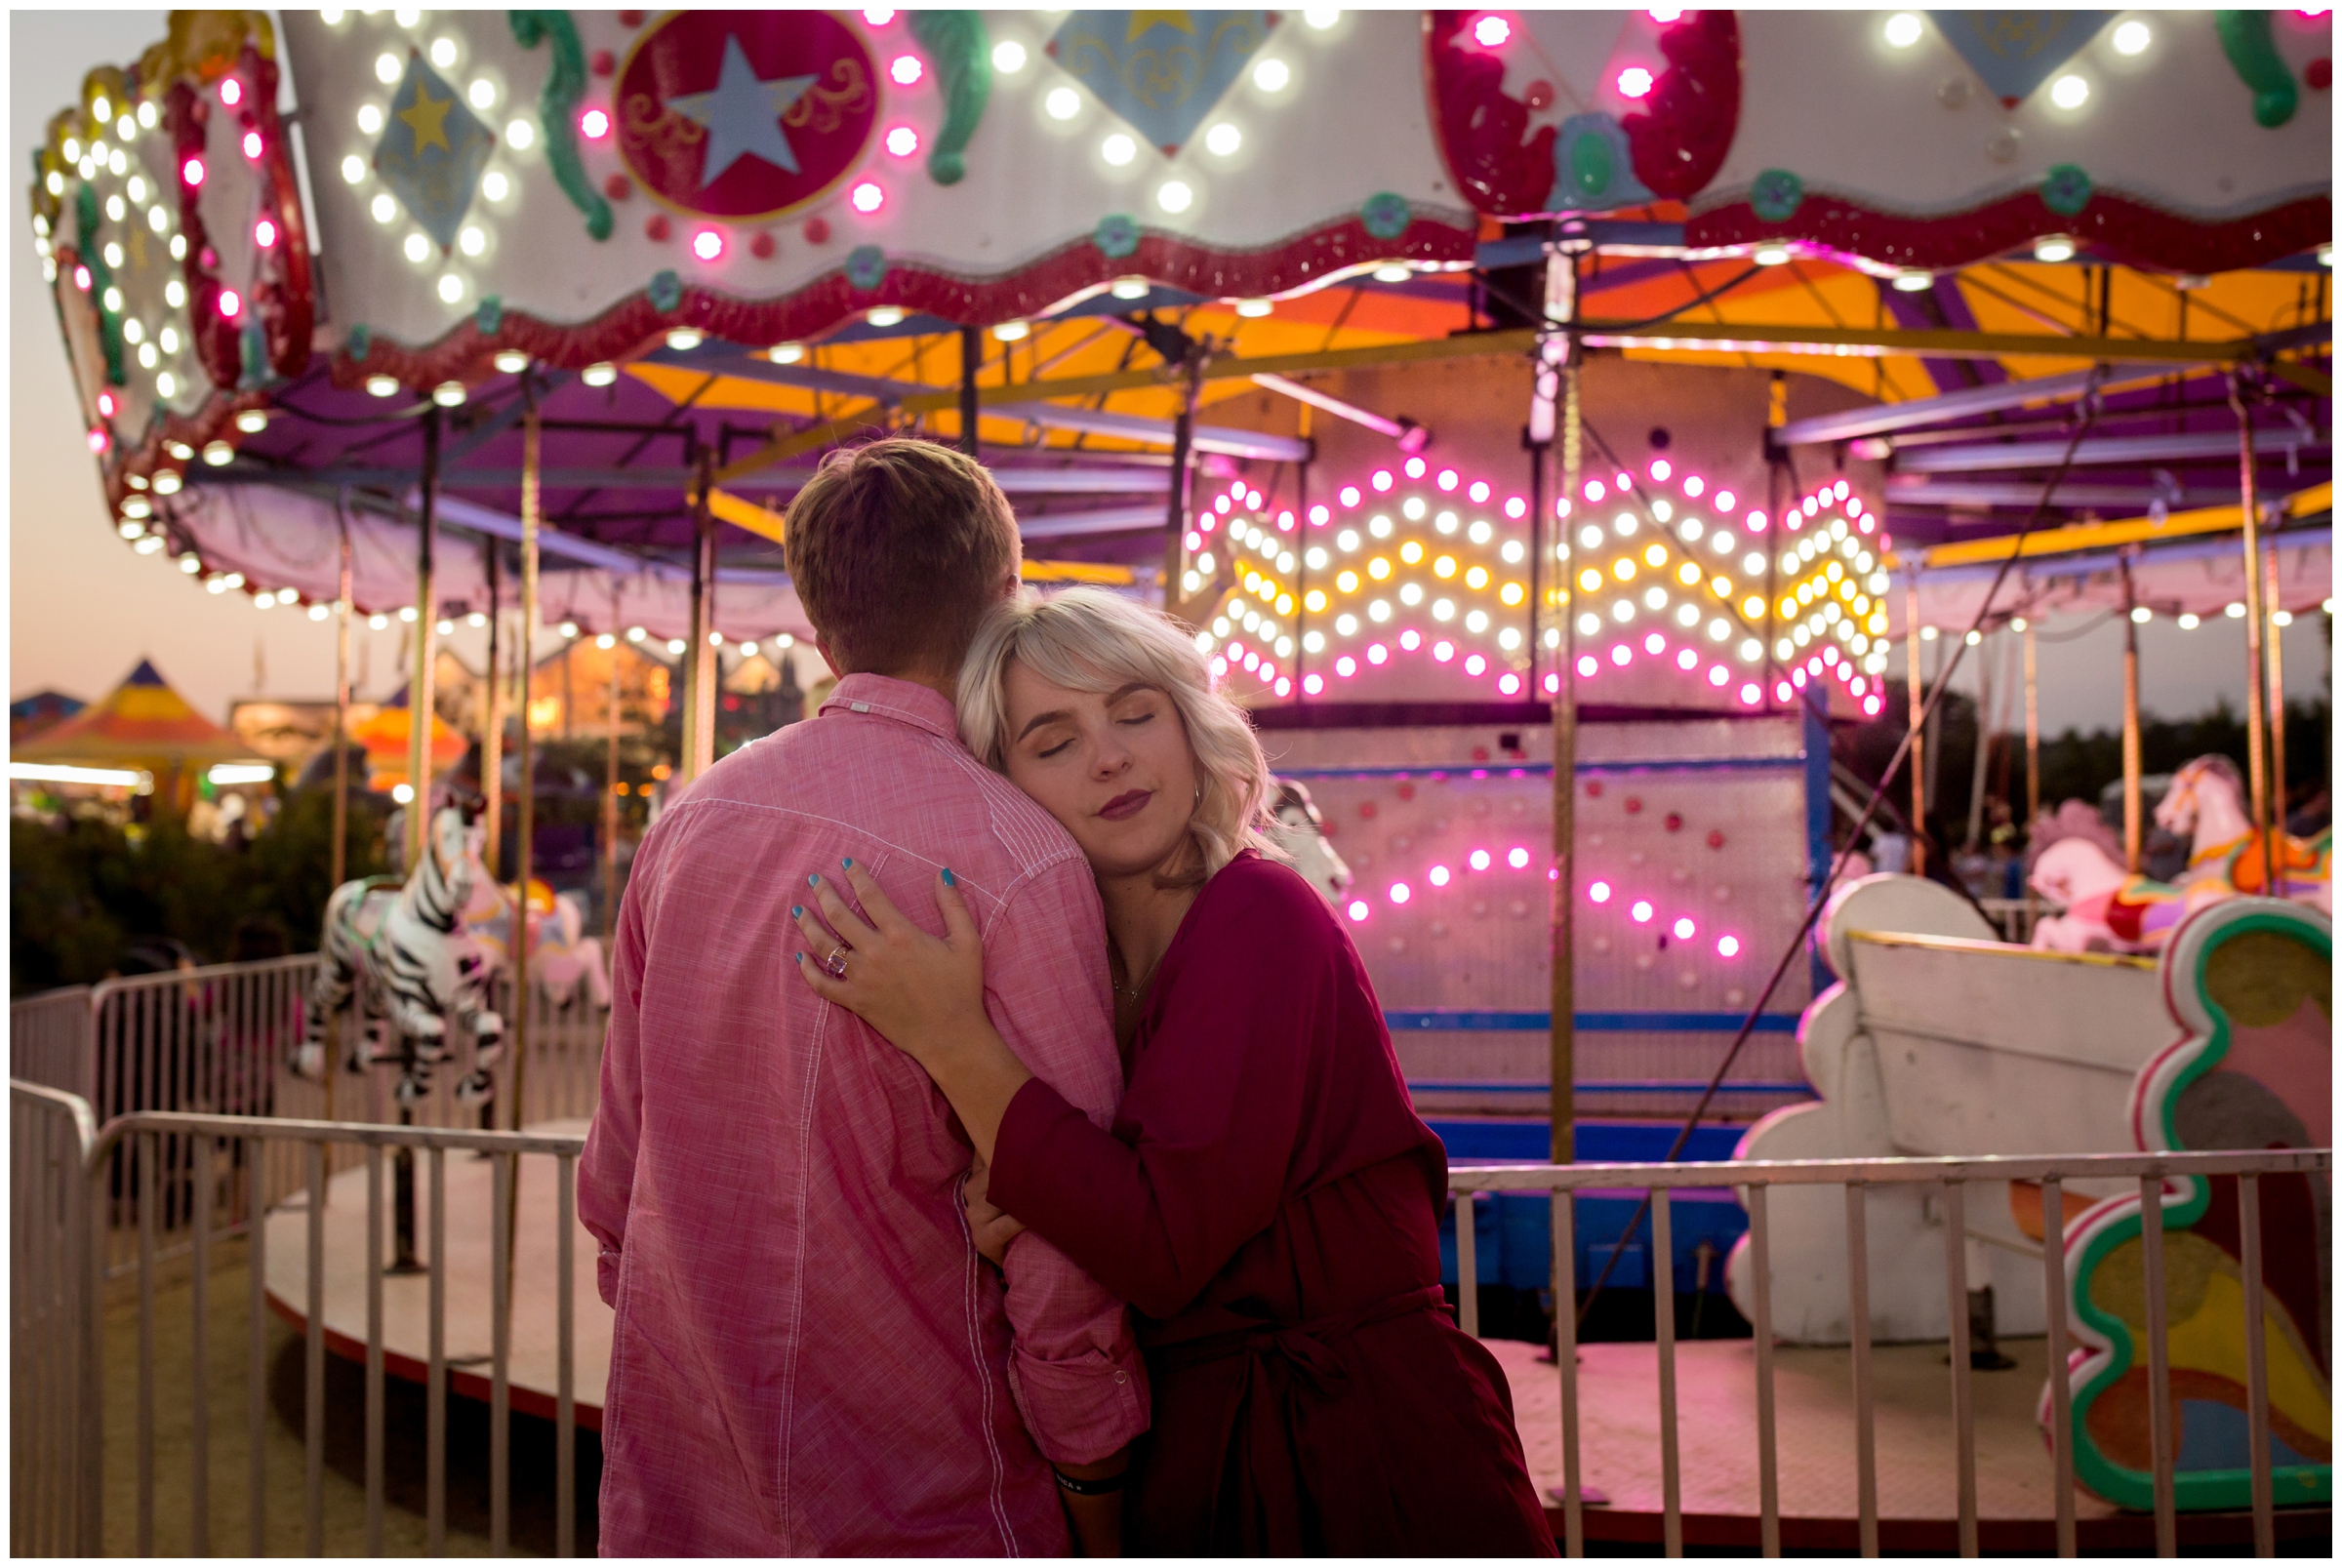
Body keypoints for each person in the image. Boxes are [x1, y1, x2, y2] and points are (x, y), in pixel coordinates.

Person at [790, 587, 1556, 1556]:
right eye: (1054, 738)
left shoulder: (1260, 915)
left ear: (1191, 729)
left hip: (1354, 1446)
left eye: (1134, 711)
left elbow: (1160, 1236)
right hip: (1209, 1448)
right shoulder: (1092, 979)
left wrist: (952, 1037)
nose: (1109, 754)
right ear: (1004, 785)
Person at [579, 440, 1147, 1555]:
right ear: (1001, 596)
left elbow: (615, 1183)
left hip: (687, 1475)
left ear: (820, 625)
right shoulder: (1016, 856)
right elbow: (1062, 1250)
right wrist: (1094, 1463)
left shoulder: (689, 826)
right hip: (931, 1484)